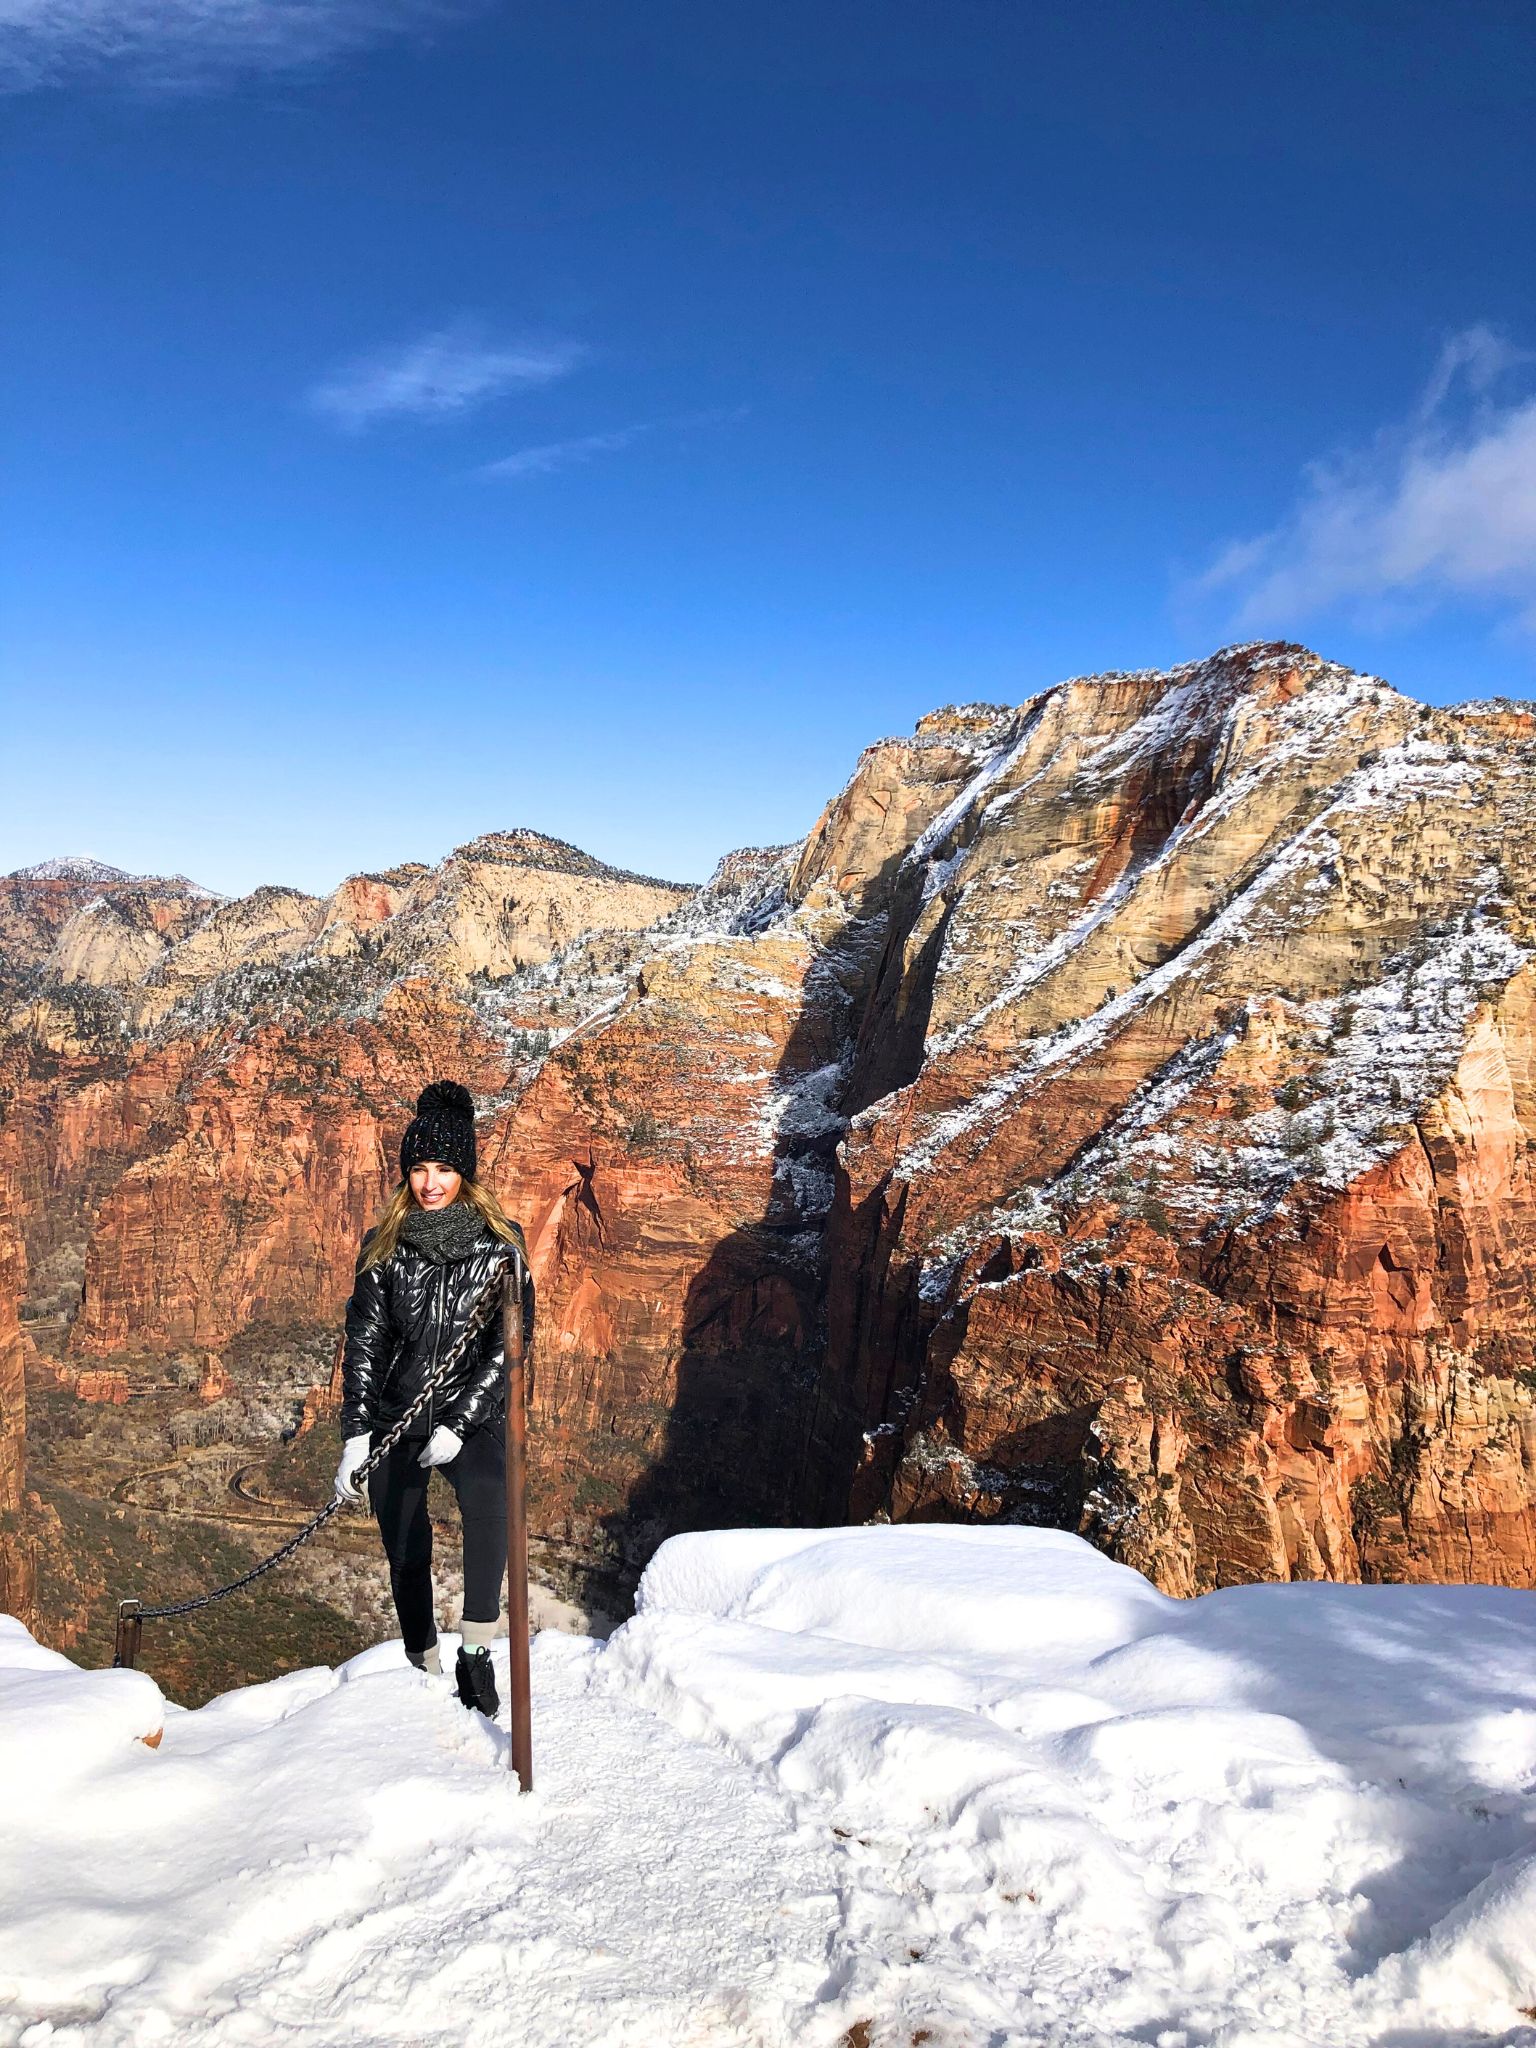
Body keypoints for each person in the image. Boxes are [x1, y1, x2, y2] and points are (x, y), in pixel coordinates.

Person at [333, 1079, 534, 1717]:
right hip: (397, 1416)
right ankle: (421, 1660)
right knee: (403, 1539)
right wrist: (356, 1436)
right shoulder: (384, 1247)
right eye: (419, 1168)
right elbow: (364, 1345)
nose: (430, 1182)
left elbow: (508, 1348)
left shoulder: (502, 1246)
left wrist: (462, 1421)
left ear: (464, 1172)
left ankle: (475, 1651)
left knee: (489, 1498)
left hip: (468, 1416)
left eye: (444, 1168)